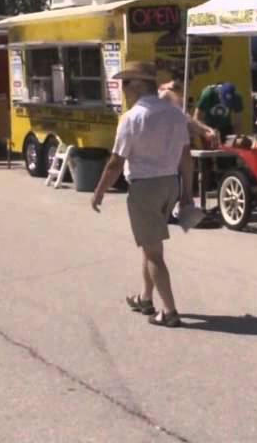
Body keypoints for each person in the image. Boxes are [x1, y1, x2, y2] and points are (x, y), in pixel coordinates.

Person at [90, 61, 195, 328]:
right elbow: (186, 156)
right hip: (170, 184)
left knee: (154, 254)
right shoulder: (174, 114)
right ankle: (146, 298)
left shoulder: (132, 118)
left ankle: (169, 311)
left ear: (138, 85)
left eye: (126, 83)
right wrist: (187, 194)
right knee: (150, 245)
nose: (123, 89)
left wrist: (99, 192)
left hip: (144, 188)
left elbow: (115, 162)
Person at [158, 78, 218, 146]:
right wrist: (205, 132)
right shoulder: (167, 94)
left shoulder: (165, 93)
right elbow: (187, 118)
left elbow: (188, 118)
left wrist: (208, 129)